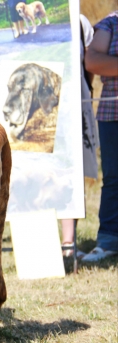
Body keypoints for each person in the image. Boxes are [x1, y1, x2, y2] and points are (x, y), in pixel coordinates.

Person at [60, 14, 99, 259]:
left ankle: (68, 243)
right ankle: (65, 243)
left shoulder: (78, 18)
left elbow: (88, 64)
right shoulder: (78, 17)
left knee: (70, 170)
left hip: (73, 102)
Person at [82, 11, 118, 262]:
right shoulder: (111, 22)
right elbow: (93, 60)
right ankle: (108, 241)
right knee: (114, 177)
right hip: (112, 113)